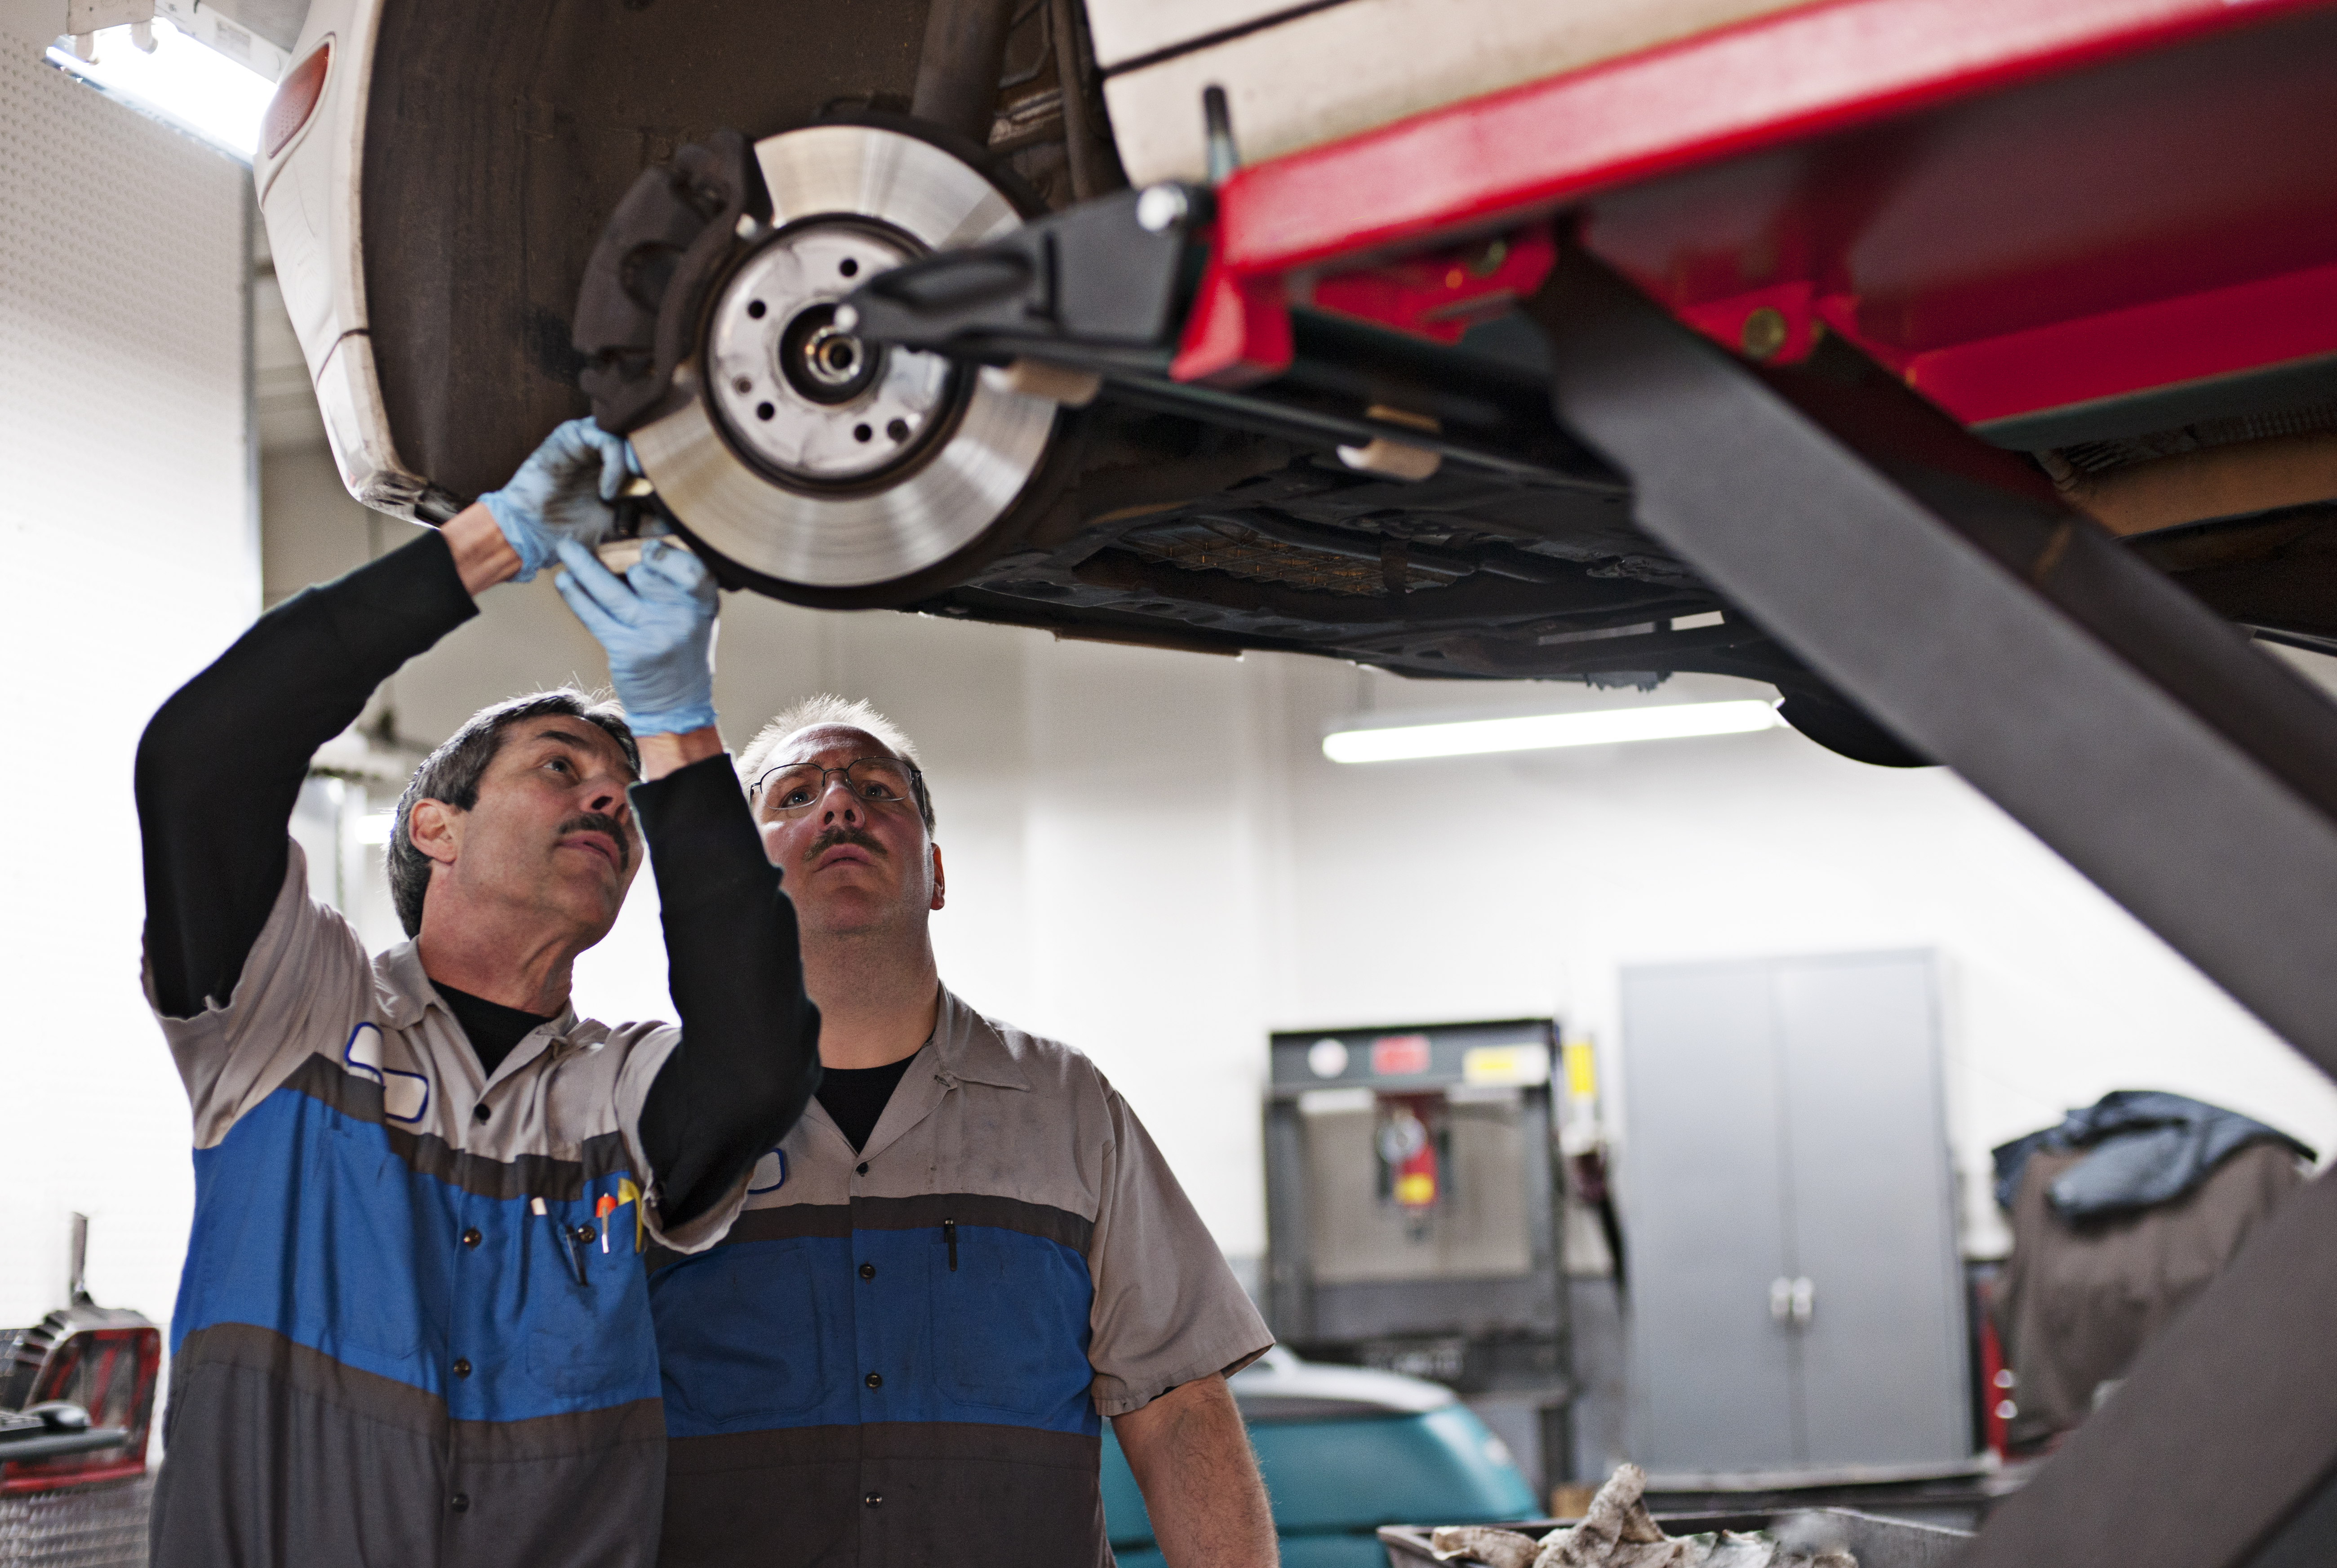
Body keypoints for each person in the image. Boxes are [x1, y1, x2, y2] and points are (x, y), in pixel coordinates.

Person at [137, 421, 822, 1567]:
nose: (610, 802)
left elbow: (759, 1061)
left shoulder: (619, 1090)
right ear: (433, 826)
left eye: (625, 795)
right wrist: (485, 543)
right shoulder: (287, 1013)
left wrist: (678, 727)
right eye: (560, 765)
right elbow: (200, 759)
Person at [644, 695, 1279, 1568]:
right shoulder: (652, 1107)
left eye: (877, 789)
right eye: (794, 795)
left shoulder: (1066, 1103)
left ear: (936, 873)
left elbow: (1175, 1404)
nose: (838, 804)